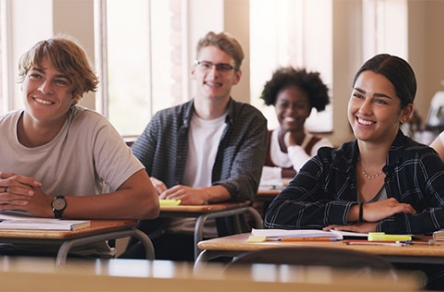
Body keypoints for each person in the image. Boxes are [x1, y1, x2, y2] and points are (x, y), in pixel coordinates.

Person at [264, 54, 444, 290]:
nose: (364, 109)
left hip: (409, 284)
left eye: (380, 101)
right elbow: (276, 214)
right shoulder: (328, 161)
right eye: (358, 96)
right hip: (337, 283)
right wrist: (359, 211)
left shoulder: (420, 160)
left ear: (405, 112)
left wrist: (380, 228)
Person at [0, 35, 159, 257]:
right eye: (36, 75)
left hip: (76, 256)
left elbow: (147, 202)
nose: (45, 88)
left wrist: (51, 205)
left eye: (60, 81)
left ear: (75, 94)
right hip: (7, 250)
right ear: (23, 80)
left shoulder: (94, 129)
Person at [121, 31, 268, 261]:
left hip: (223, 238)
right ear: (193, 70)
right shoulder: (164, 121)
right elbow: (124, 170)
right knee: (119, 273)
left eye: (223, 67)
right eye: (206, 65)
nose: (213, 74)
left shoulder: (250, 121)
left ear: (237, 76)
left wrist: (202, 194)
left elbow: (245, 183)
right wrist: (144, 182)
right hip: (162, 233)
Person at [259, 67, 332, 182]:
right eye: (284, 105)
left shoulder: (321, 146)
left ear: (309, 110)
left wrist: (292, 146)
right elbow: (249, 173)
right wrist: (292, 173)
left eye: (299, 106)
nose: (291, 111)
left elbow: (318, 177)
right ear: (275, 106)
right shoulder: (261, 139)